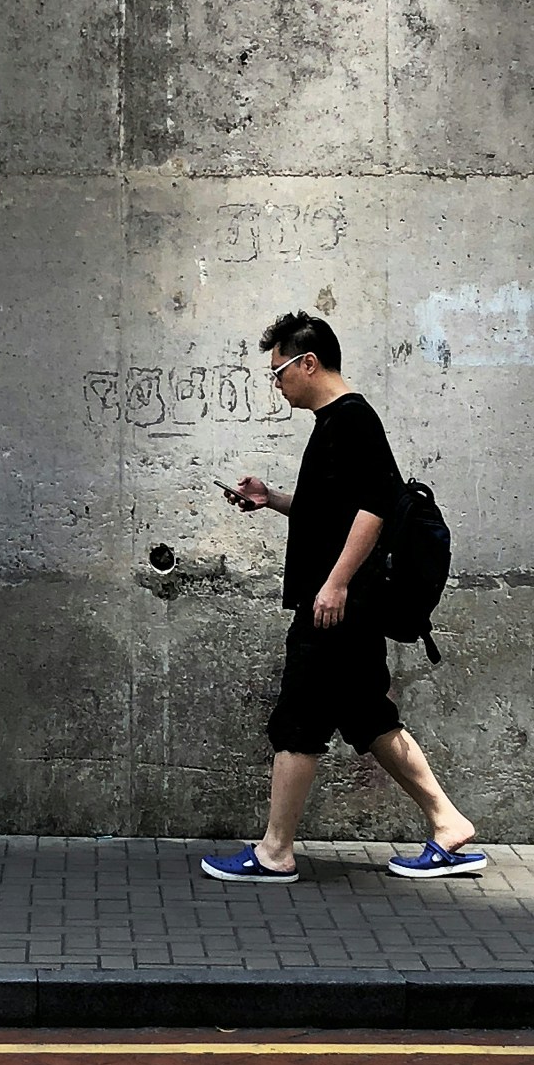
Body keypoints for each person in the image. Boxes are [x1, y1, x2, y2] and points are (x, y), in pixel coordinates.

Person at [200, 310, 486, 883]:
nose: (277, 385)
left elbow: (376, 508)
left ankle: (275, 852)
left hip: (334, 606)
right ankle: (448, 823)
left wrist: (335, 584)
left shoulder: (352, 419)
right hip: (342, 603)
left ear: (308, 363)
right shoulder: (335, 422)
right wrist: (271, 499)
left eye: (278, 372)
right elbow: (333, 513)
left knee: (298, 719)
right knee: (366, 714)